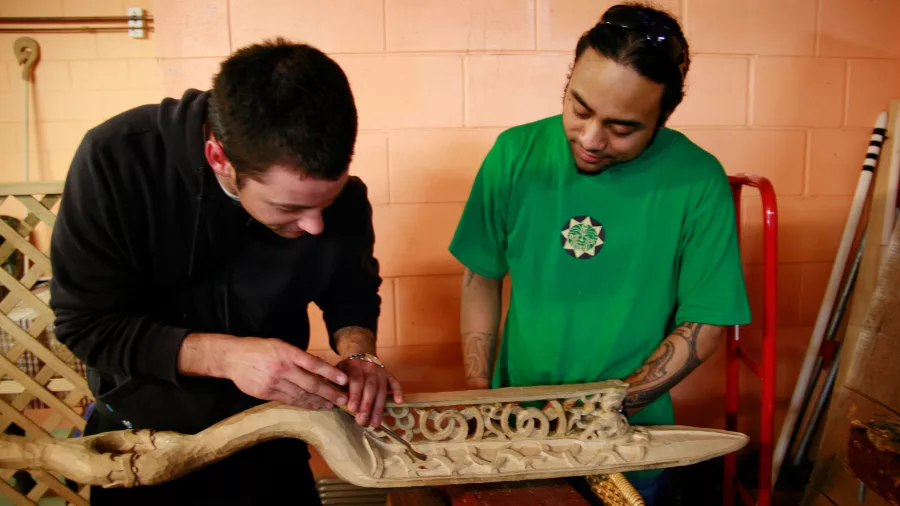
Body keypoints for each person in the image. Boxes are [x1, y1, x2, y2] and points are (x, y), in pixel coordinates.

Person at [49, 38, 403, 505]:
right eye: (288, 207)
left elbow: (351, 293)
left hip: (273, 438)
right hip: (144, 449)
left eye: (328, 201)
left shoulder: (334, 200)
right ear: (221, 159)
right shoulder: (116, 160)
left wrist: (361, 356)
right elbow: (87, 324)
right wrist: (228, 357)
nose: (314, 225)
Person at [449, 3, 751, 505]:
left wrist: (608, 409)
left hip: (632, 441)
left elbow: (705, 326)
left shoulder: (698, 180)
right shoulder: (513, 154)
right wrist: (483, 391)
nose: (590, 139)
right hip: (517, 426)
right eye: (579, 107)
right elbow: (481, 276)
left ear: (663, 116)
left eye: (623, 127)